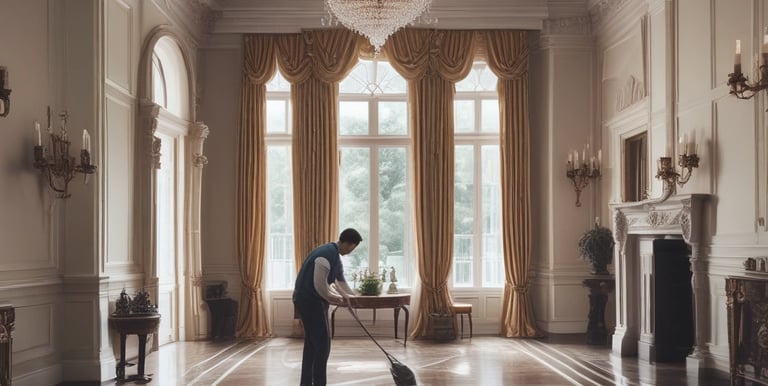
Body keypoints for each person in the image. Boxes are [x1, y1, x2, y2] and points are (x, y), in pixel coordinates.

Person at [293, 228, 362, 386]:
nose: (352, 251)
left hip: (314, 301)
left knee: (312, 344)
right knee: (323, 345)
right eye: (353, 247)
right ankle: (319, 383)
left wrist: (353, 299)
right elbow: (320, 287)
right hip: (309, 302)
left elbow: (341, 282)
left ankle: (306, 383)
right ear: (348, 243)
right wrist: (338, 300)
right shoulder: (325, 255)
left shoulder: (335, 256)